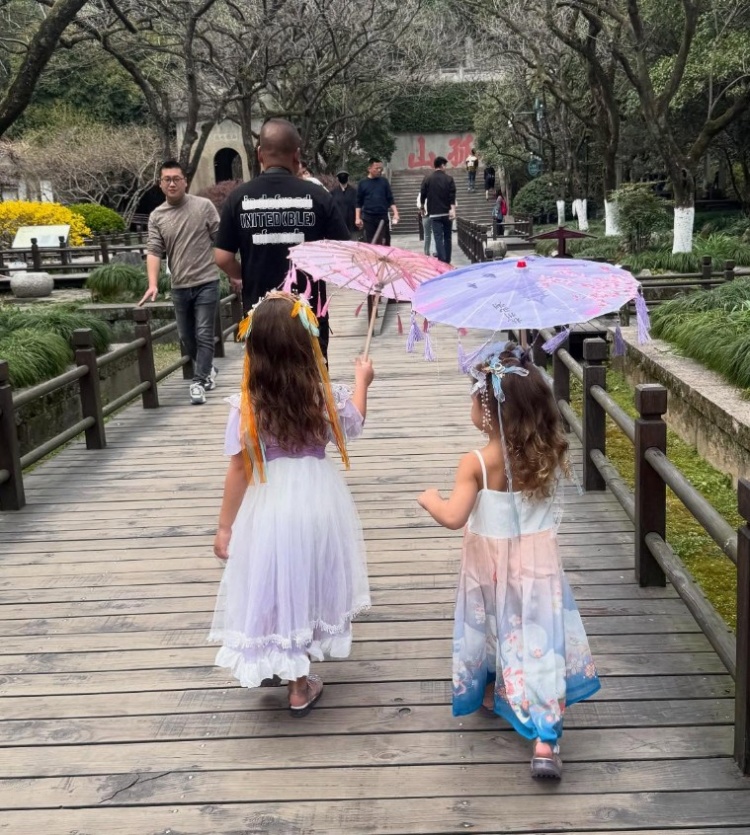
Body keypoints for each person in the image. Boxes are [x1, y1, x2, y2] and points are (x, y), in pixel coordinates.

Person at [417, 343, 600, 780]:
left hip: (489, 565)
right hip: (536, 566)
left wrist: (431, 500)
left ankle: (494, 693)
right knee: (535, 636)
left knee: (491, 622)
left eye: (475, 397)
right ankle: (544, 739)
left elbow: (454, 517)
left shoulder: (477, 463)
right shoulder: (544, 453)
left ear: (488, 408)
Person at [210, 290, 374, 715]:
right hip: (318, 499)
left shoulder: (247, 404)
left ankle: (279, 658)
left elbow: (239, 468)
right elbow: (354, 423)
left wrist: (225, 526)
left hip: (271, 500)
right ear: (306, 345)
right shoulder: (322, 396)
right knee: (306, 577)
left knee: (273, 577)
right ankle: (298, 683)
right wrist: (362, 381)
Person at [214, 119, 349, 360]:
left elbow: (222, 257)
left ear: (259, 154)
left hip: (260, 314)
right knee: (311, 378)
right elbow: (343, 251)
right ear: (296, 155)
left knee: (265, 379)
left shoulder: (238, 198)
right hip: (307, 314)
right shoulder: (318, 196)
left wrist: (247, 275)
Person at [141, 160, 220, 406]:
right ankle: (207, 369)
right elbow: (154, 250)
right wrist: (153, 283)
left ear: (185, 181)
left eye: (176, 179)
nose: (172, 183)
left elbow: (220, 239)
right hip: (179, 285)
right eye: (167, 179)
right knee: (186, 336)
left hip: (207, 281)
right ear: (161, 184)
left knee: (204, 333)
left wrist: (233, 270)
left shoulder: (204, 206)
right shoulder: (157, 216)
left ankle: (199, 381)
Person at [420, 156, 456, 264]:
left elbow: (423, 194)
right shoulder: (449, 179)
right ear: (442, 165)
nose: (446, 167)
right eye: (445, 165)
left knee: (438, 238)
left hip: (434, 213)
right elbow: (452, 196)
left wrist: (422, 207)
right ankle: (447, 261)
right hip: (446, 213)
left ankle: (442, 261)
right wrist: (452, 210)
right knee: (448, 237)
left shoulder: (427, 179)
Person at [355, 157, 399, 245]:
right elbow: (358, 203)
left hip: (382, 216)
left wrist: (396, 213)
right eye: (376, 168)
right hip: (368, 217)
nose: (379, 170)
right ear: (369, 169)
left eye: (380, 168)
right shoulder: (362, 183)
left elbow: (390, 199)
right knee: (371, 242)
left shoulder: (384, 182)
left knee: (384, 242)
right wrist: (357, 218)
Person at [330, 171, 358, 240]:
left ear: (348, 178)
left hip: (351, 223)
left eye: (345, 176)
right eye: (341, 176)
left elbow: (357, 205)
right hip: (338, 223)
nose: (343, 177)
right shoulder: (333, 192)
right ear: (338, 179)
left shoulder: (354, 191)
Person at [416, 189, 436, 257]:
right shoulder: (422, 192)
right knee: (428, 234)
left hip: (432, 214)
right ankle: (427, 251)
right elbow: (418, 203)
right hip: (426, 215)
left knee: (432, 233)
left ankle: (433, 251)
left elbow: (418, 203)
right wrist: (422, 208)